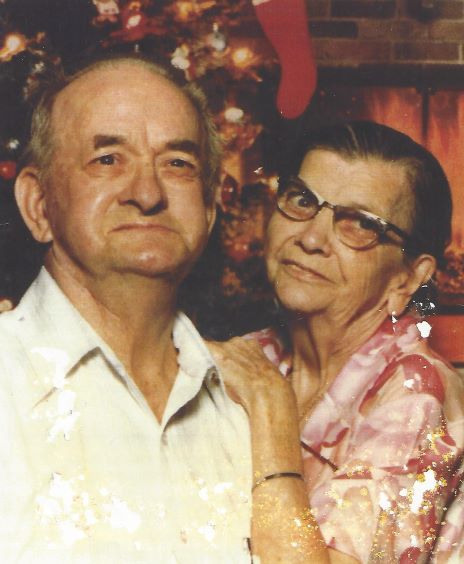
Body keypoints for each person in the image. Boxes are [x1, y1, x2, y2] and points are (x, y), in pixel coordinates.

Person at [0, 53, 327, 562]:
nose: (148, 193)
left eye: (178, 163)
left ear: (209, 210)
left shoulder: (249, 412)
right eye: (107, 159)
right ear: (39, 205)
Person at [210, 121, 464, 563]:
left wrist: (271, 413)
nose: (310, 238)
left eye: (361, 224)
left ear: (409, 276)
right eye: (303, 200)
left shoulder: (415, 400)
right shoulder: (256, 354)